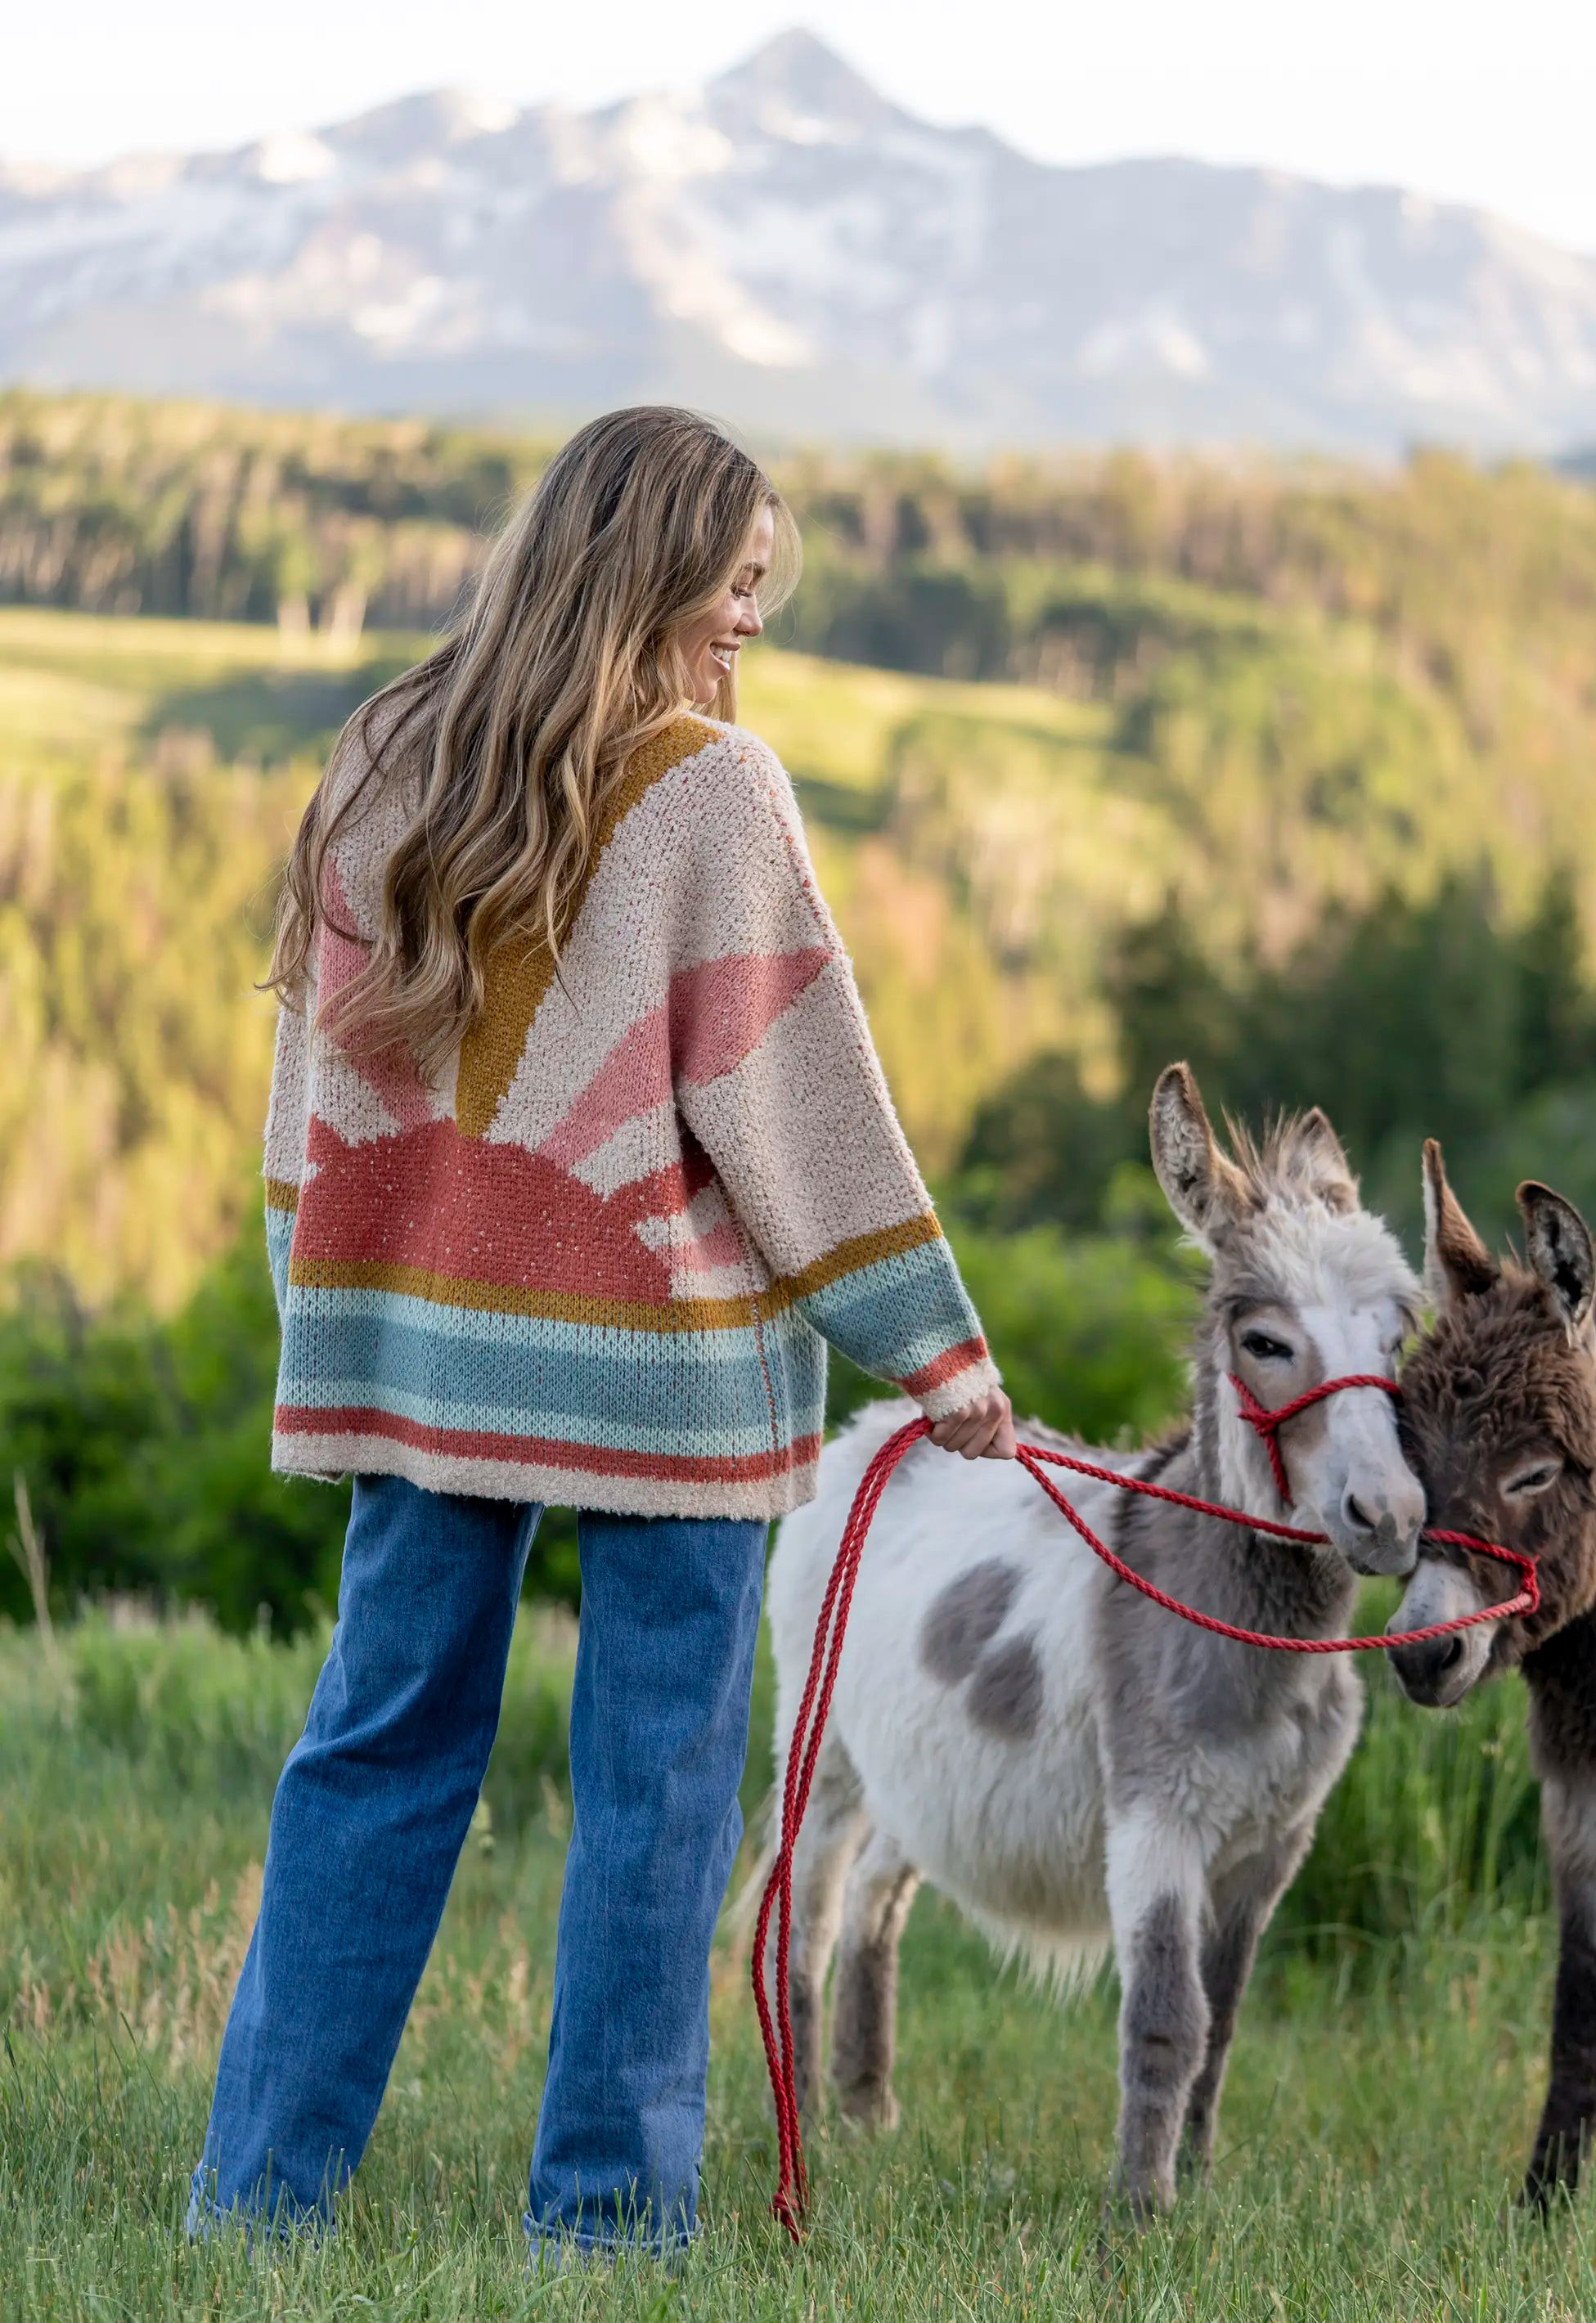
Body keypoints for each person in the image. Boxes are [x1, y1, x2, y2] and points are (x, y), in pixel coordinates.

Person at [187, 405, 1015, 2258]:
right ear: (652, 570)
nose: (749, 630)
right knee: (653, 1798)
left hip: (421, 1366)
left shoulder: (381, 750)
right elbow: (800, 1107)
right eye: (736, 590)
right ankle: (608, 2230)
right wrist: (941, 1356)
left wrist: (326, 1314)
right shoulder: (718, 791)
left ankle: (255, 2203)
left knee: (373, 1753)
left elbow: (308, 1097)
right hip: (671, 1384)